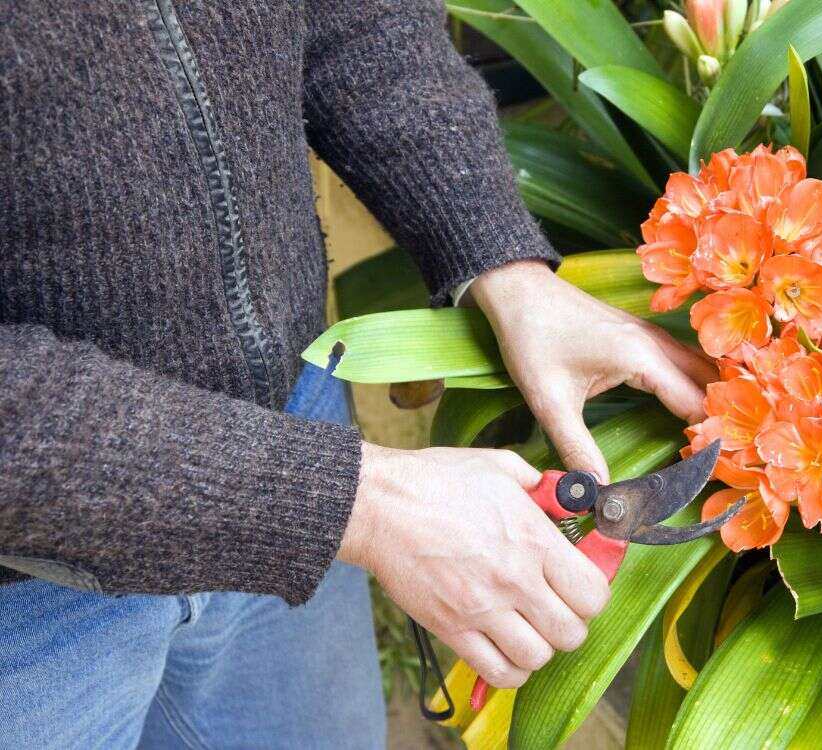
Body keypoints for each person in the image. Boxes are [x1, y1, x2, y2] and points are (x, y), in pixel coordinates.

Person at [0, 1, 714, 747]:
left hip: (295, 428)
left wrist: (502, 262)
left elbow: (358, 16)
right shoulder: (346, 500)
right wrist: (353, 503)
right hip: (28, 601)